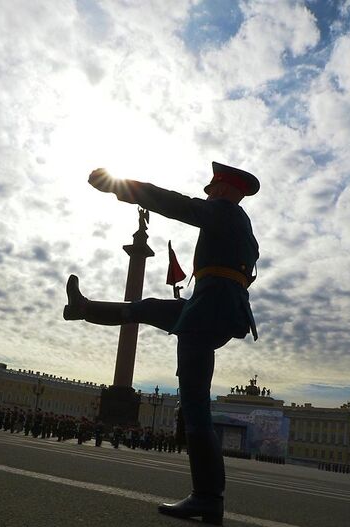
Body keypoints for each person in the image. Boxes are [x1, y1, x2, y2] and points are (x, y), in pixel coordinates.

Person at [63, 163, 259, 524]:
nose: (208, 193)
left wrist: (119, 186)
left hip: (207, 311)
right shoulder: (240, 225)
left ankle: (207, 497)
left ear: (226, 189)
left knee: (195, 406)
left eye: (213, 187)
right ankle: (84, 308)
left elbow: (175, 204)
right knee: (149, 308)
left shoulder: (225, 212)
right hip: (213, 307)